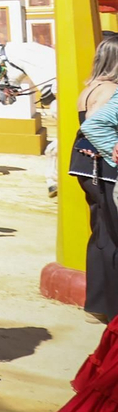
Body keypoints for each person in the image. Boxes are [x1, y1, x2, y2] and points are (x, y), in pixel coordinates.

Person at [74, 36, 118, 322]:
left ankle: (97, 305)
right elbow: (95, 126)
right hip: (104, 167)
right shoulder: (113, 91)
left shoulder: (90, 88)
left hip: (83, 165)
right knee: (113, 236)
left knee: (101, 235)